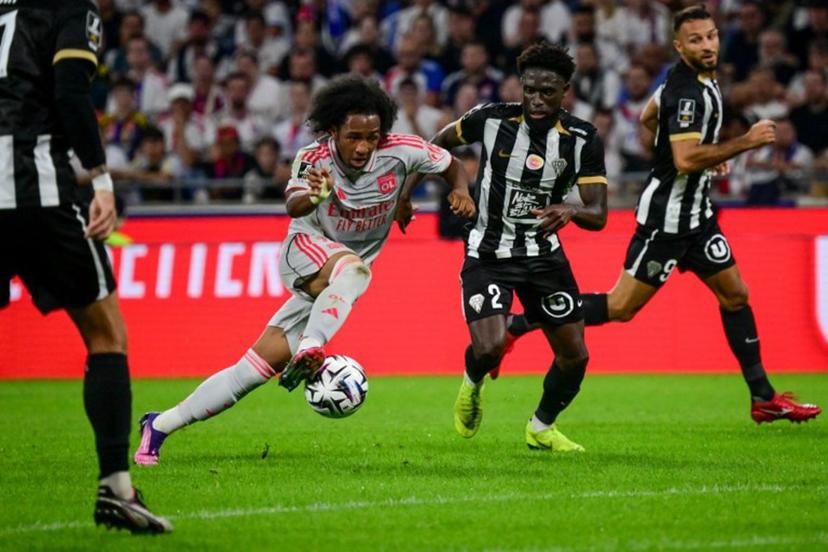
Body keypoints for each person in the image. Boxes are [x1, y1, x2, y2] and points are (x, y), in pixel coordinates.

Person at [134, 75, 476, 464]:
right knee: (355, 270)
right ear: (334, 130)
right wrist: (315, 193)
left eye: (373, 136)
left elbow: (451, 164)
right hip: (305, 252)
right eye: (354, 137)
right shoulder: (314, 159)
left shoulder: (401, 150)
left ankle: (159, 425)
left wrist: (455, 191)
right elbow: (294, 203)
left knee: (251, 371)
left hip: (335, 284)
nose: (364, 146)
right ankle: (313, 347)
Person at [506, 6, 821, 424]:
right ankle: (525, 319)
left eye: (710, 36)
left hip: (698, 217)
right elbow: (687, 158)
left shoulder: (691, 80)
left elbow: (648, 117)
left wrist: (708, 155)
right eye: (696, 40)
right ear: (679, 46)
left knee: (736, 294)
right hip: (667, 222)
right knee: (620, 307)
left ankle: (763, 397)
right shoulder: (686, 90)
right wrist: (741, 143)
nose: (707, 45)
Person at [0, 1, 171, 534]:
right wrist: (100, 180)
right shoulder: (70, 8)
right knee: (105, 334)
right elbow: (71, 92)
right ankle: (116, 489)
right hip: (37, 190)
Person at [424, 41, 609, 452]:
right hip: (488, 252)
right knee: (489, 347)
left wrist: (571, 210)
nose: (537, 99)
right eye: (530, 89)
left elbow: (599, 214)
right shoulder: (490, 119)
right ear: (520, 87)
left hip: (544, 258)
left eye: (548, 91)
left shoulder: (582, 139)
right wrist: (457, 187)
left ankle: (541, 427)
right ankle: (471, 385)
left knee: (575, 357)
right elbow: (434, 148)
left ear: (565, 92)